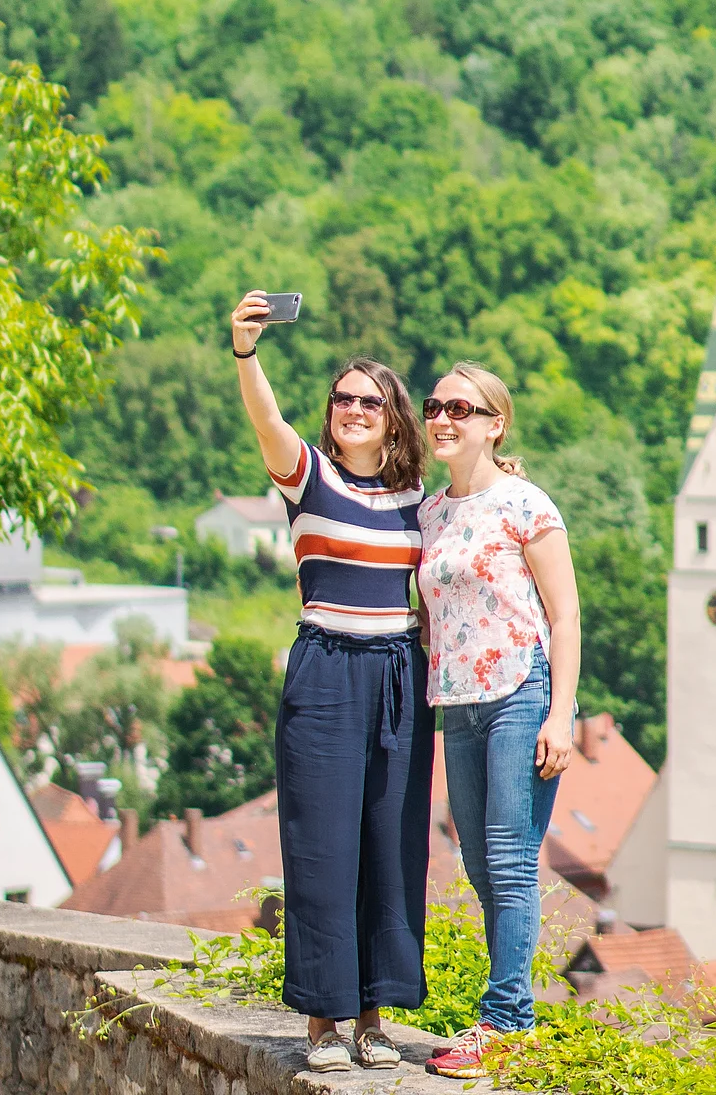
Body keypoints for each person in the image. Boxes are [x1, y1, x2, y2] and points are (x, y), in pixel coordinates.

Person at [229, 291, 433, 1075]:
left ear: (393, 418)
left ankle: (375, 1021)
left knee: (389, 846)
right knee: (320, 850)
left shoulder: (420, 501)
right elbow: (266, 421)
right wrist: (247, 354)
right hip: (325, 669)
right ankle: (323, 1023)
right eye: (342, 398)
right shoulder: (306, 478)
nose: (352, 408)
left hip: (395, 677)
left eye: (368, 401)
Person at [414, 361, 581, 1080]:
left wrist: (561, 714)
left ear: (494, 423)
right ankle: (505, 1016)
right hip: (458, 704)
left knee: (511, 862)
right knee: (479, 864)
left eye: (461, 408)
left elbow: (566, 613)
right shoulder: (430, 512)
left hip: (520, 690)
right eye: (435, 407)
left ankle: (508, 1023)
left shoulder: (525, 504)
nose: (444, 419)